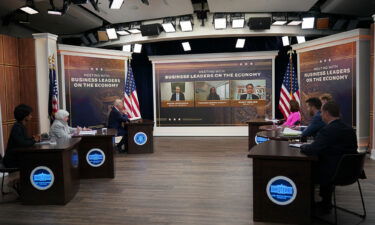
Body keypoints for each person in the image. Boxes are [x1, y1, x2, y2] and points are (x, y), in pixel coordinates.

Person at [300, 101, 357, 213]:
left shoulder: (327, 130)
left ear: (326, 113)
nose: (320, 115)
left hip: (333, 172)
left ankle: (308, 207)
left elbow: (313, 149)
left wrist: (303, 147)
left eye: (321, 112)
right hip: (351, 171)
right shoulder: (349, 129)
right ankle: (325, 202)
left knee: (305, 171)